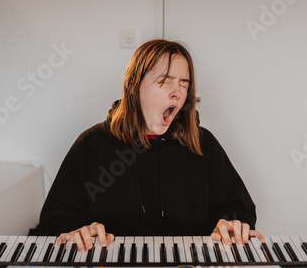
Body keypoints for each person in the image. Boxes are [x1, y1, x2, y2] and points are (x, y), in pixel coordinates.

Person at [38, 39, 264, 254]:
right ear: (133, 85)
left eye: (183, 84)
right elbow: (56, 220)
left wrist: (231, 225)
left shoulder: (203, 144)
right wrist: (77, 231)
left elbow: (239, 210)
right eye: (165, 81)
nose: (177, 92)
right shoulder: (91, 144)